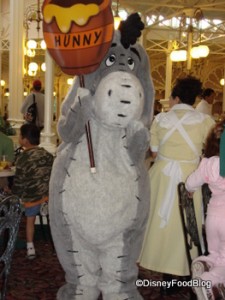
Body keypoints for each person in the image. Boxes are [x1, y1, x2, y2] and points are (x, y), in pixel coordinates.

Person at [138, 76, 215, 295]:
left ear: (176, 97)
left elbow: (153, 152)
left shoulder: (161, 120)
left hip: (161, 175)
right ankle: (184, 271)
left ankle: (165, 275)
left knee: (158, 226)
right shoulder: (205, 121)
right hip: (190, 176)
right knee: (187, 226)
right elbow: (209, 153)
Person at [185, 119, 225, 299]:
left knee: (215, 253)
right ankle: (208, 280)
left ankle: (204, 263)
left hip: (212, 218)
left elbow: (190, 182)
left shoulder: (208, 163)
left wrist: (190, 191)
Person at [11, 124, 53, 259]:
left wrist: (13, 195)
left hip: (31, 198)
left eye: (20, 136)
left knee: (29, 220)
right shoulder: (47, 155)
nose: (19, 138)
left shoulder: (23, 158)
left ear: (25, 140)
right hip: (47, 196)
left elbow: (19, 183)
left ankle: (30, 247)